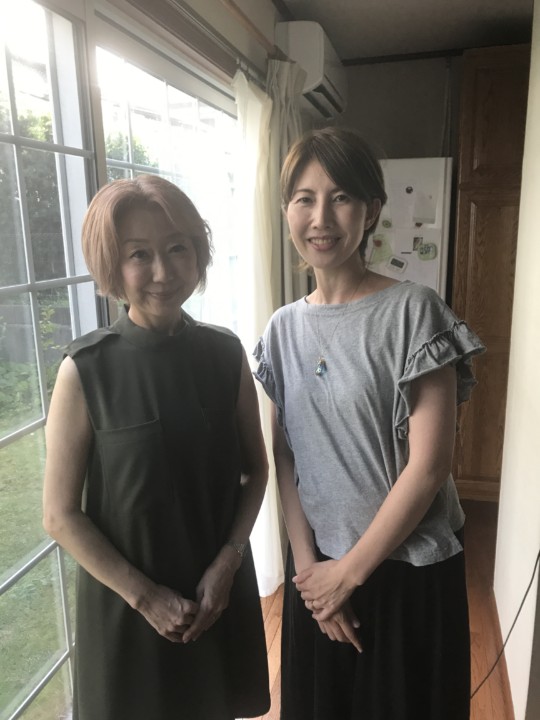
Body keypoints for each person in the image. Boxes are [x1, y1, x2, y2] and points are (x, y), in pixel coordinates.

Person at [254, 127, 485, 720]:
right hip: (317, 572)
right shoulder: (281, 329)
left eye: (341, 197)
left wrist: (348, 576)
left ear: (372, 209)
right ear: (286, 211)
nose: (321, 217)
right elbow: (285, 454)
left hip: (404, 571)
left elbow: (429, 466)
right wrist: (309, 570)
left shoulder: (414, 311)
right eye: (304, 198)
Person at [43, 175, 270, 720]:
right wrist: (146, 597)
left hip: (215, 596)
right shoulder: (86, 370)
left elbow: (256, 471)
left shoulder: (226, 355)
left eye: (177, 248)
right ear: (112, 266)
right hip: (128, 608)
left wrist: (229, 561)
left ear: (198, 253)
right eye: (139, 254)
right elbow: (60, 516)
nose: (164, 273)